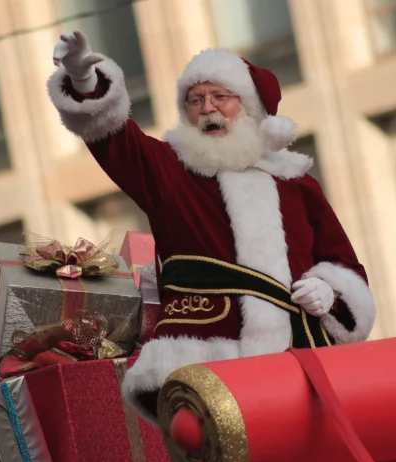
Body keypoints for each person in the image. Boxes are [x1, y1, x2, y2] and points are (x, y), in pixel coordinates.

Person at [48, 30, 376, 423]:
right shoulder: (169, 172)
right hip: (205, 360)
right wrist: (85, 81)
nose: (207, 108)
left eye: (220, 97)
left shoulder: (297, 185)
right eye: (195, 100)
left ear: (249, 107)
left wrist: (330, 292)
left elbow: (345, 266)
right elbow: (114, 138)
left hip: (299, 357)